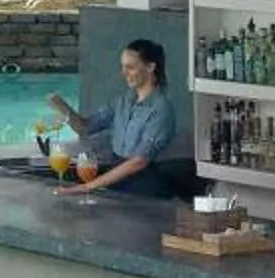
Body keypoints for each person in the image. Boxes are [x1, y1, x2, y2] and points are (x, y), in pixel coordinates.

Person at [45, 38, 177, 199]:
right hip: (116, 176)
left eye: (130, 67)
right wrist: (62, 107)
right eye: (123, 67)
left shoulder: (161, 109)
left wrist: (88, 187)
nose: (124, 73)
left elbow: (139, 161)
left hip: (146, 185)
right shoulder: (123, 101)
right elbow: (85, 128)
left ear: (150, 67)